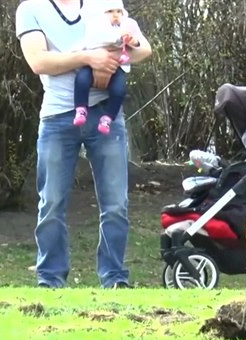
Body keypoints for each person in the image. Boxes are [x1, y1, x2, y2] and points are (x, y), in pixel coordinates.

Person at [15, 0, 152, 289]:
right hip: (57, 117)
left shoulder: (103, 4)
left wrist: (112, 57)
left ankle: (114, 278)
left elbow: (141, 50)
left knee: (116, 204)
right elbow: (40, 62)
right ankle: (50, 280)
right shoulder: (31, 9)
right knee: (51, 202)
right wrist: (89, 59)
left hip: (106, 115)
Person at [73, 0, 141, 135]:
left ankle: (108, 118)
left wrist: (132, 41)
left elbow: (138, 45)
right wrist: (76, 53)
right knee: (81, 80)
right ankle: (81, 108)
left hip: (117, 67)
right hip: (91, 64)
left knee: (119, 90)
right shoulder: (96, 27)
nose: (115, 15)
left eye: (118, 11)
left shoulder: (126, 28)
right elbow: (88, 42)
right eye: (110, 11)